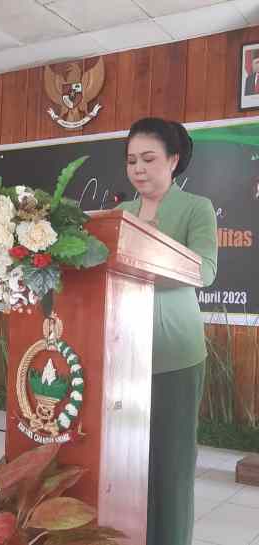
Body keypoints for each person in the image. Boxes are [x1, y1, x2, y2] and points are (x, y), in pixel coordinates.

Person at [117, 117, 218, 545]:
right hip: (121, 353)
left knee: (170, 466)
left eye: (149, 159)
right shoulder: (120, 215)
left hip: (175, 353)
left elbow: (205, 270)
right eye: (131, 161)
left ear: (173, 161)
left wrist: (145, 261)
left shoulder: (197, 208)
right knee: (126, 464)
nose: (138, 169)